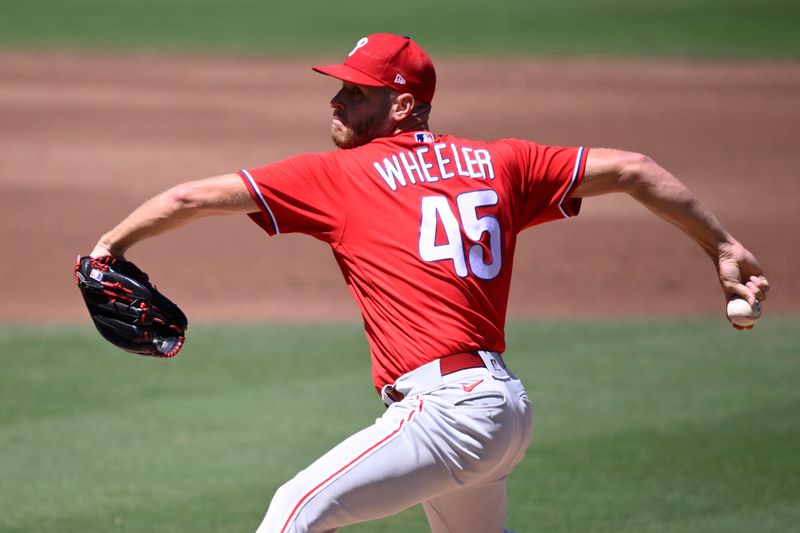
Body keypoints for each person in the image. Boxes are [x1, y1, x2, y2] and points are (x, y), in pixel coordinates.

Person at [88, 33, 769, 533]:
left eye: (355, 92)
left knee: (292, 511)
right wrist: (724, 245)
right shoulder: (503, 161)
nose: (335, 99)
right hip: (502, 411)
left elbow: (187, 198)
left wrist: (108, 247)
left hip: (448, 412)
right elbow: (637, 167)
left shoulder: (341, 177)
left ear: (402, 103)